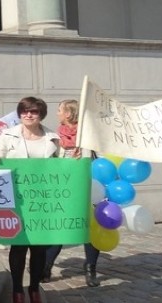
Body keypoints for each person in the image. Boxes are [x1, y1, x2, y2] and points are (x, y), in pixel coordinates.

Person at [0, 96, 59, 303]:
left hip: (42, 200)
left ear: (40, 114)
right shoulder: (7, 135)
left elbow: (61, 167)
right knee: (18, 245)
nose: (28, 115)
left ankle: (34, 288)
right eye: (24, 111)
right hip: (16, 199)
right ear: (19, 114)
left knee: (39, 247)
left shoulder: (52, 138)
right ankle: (18, 289)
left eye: (34, 111)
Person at [42, 99, 101, 287]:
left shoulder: (89, 137)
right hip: (63, 189)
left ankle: (90, 268)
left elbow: (101, 162)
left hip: (88, 188)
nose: (57, 113)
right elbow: (48, 161)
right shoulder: (54, 136)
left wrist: (83, 156)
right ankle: (46, 267)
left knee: (91, 229)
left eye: (60, 110)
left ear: (68, 114)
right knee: (60, 227)